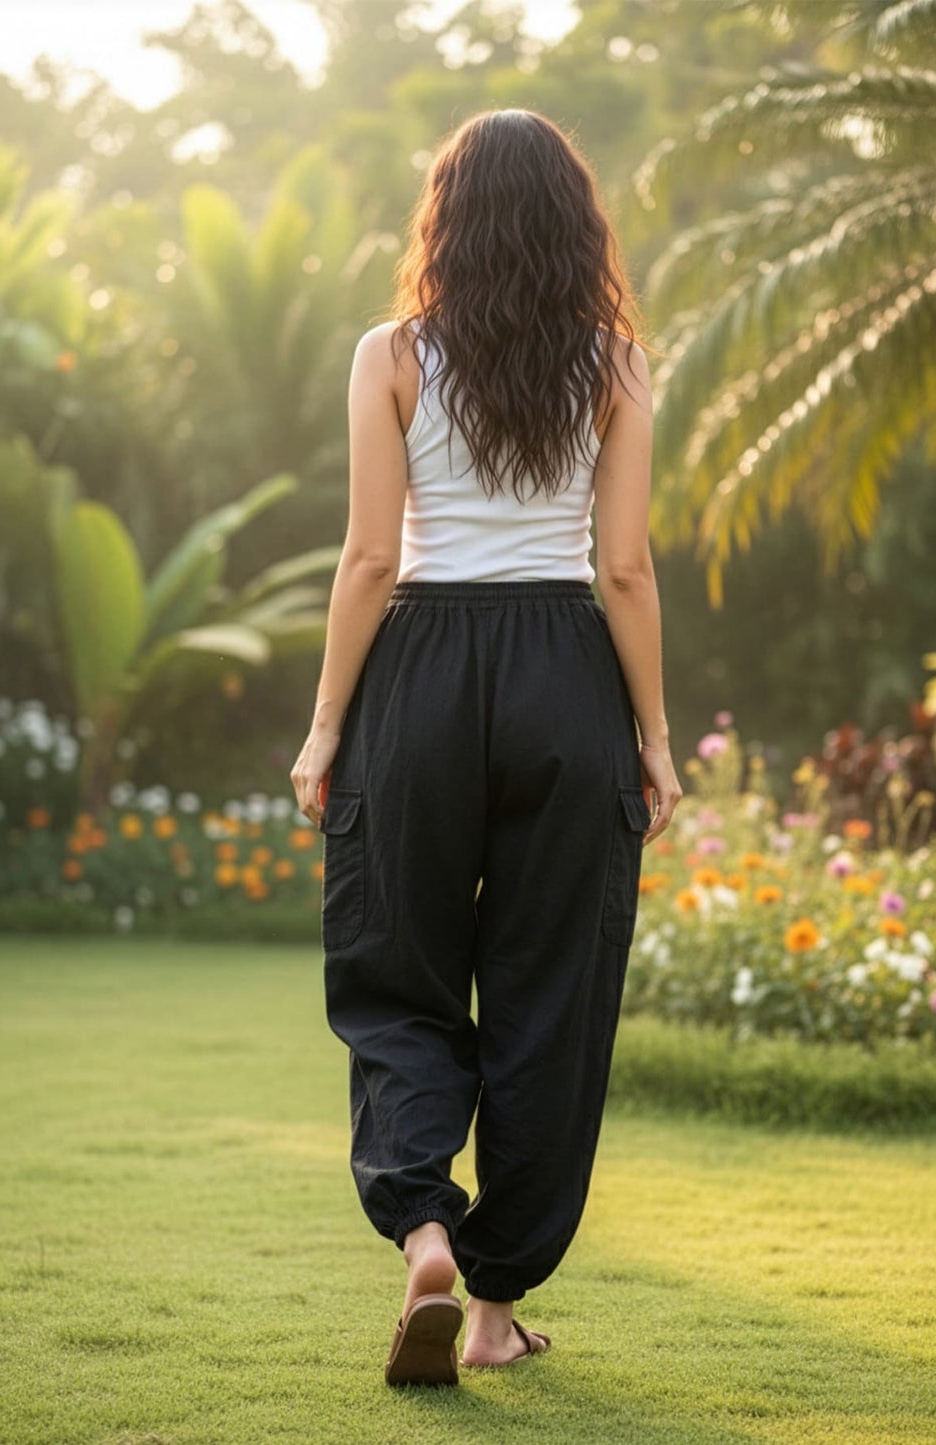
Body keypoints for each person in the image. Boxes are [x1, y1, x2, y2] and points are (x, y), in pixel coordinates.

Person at [289, 108, 680, 1388]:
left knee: (395, 969)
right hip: (567, 672)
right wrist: (654, 738)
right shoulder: (616, 364)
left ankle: (423, 1233)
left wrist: (326, 726)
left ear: (442, 215)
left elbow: (367, 558)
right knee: (548, 989)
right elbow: (621, 568)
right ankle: (497, 1300)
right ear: (578, 223)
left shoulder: (389, 353)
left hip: (421, 673)